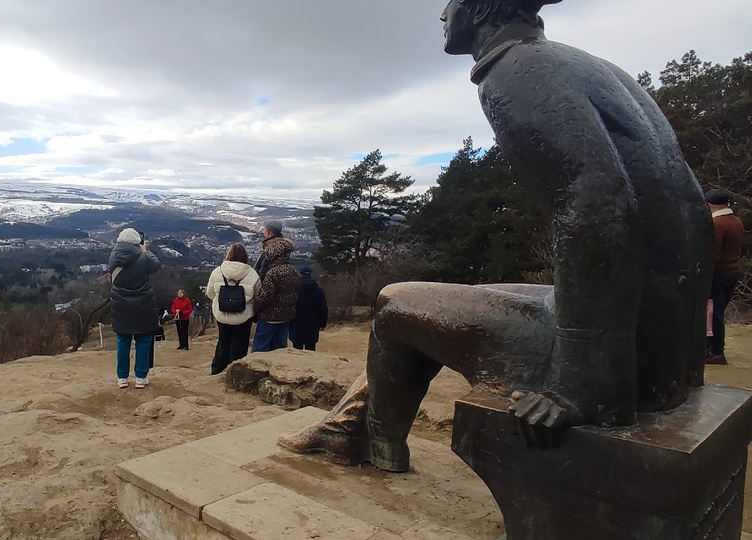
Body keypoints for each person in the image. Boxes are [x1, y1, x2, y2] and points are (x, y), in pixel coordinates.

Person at [278, 0, 713, 472]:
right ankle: (344, 425)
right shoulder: (597, 68)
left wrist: (582, 382)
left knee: (394, 303)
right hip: (659, 351)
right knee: (475, 295)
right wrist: (683, 365)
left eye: (450, 2)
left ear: (483, 7)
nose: (442, 15)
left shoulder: (515, 71)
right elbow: (693, 209)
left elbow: (594, 201)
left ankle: (372, 449)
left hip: (620, 367)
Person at [109, 228, 162, 389]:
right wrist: (146, 251)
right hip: (143, 304)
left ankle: (122, 377)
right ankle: (140, 377)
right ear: (137, 242)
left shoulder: (113, 257)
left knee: (123, 340)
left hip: (120, 304)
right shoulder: (143, 257)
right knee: (144, 340)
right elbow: (156, 266)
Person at [206, 243, 261, 374]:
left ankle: (217, 370)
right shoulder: (253, 274)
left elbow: (210, 293)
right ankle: (235, 373)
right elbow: (258, 295)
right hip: (243, 315)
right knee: (240, 346)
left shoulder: (217, 271)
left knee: (223, 343)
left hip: (222, 313)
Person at [705, 189, 744, 365]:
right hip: (732, 272)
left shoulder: (718, 224)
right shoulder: (736, 221)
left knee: (713, 313)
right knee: (717, 312)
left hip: (718, 274)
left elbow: (714, 253)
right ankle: (712, 347)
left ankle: (716, 351)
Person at [251, 234, 300, 352]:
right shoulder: (293, 270)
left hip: (270, 316)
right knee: (280, 348)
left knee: (261, 347)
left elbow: (265, 296)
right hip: (287, 315)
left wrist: (255, 308)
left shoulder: (272, 273)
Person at [289, 267, 328, 351]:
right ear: (310, 275)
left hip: (296, 324)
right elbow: (323, 308)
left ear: (300, 275)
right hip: (313, 324)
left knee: (296, 350)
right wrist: (322, 324)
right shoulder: (319, 290)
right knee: (311, 349)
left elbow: (290, 305)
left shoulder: (295, 289)